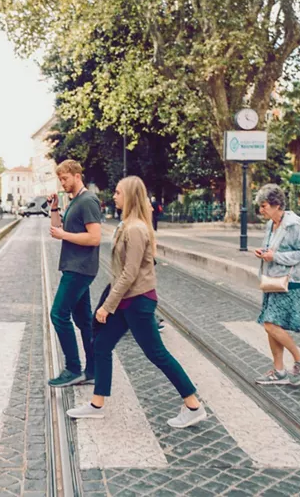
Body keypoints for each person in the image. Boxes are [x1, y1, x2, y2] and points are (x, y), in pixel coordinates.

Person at [66, 176, 206, 428]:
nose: (114, 196)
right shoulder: (128, 225)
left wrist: (107, 306)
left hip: (137, 302)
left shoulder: (135, 229)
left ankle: (193, 404)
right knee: (101, 344)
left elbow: (129, 273)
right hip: (127, 300)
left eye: (118, 192)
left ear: (129, 196)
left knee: (157, 353)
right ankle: (97, 404)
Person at [252, 184, 300, 386]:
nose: (261, 210)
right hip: (273, 280)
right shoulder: (272, 224)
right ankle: (279, 371)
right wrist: (265, 252)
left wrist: (276, 256)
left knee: (270, 324)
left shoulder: (293, 225)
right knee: (272, 326)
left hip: (290, 282)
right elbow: (274, 249)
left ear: (277, 204)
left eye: (264, 206)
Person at [46, 159, 101, 387]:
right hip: (74, 265)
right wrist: (55, 208)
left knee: (58, 314)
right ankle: (93, 370)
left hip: (80, 268)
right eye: (60, 179)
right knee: (83, 320)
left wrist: (64, 236)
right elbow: (58, 230)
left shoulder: (88, 200)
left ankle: (73, 368)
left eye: (65, 178)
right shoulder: (75, 201)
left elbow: (95, 237)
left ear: (77, 175)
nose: (62, 183)